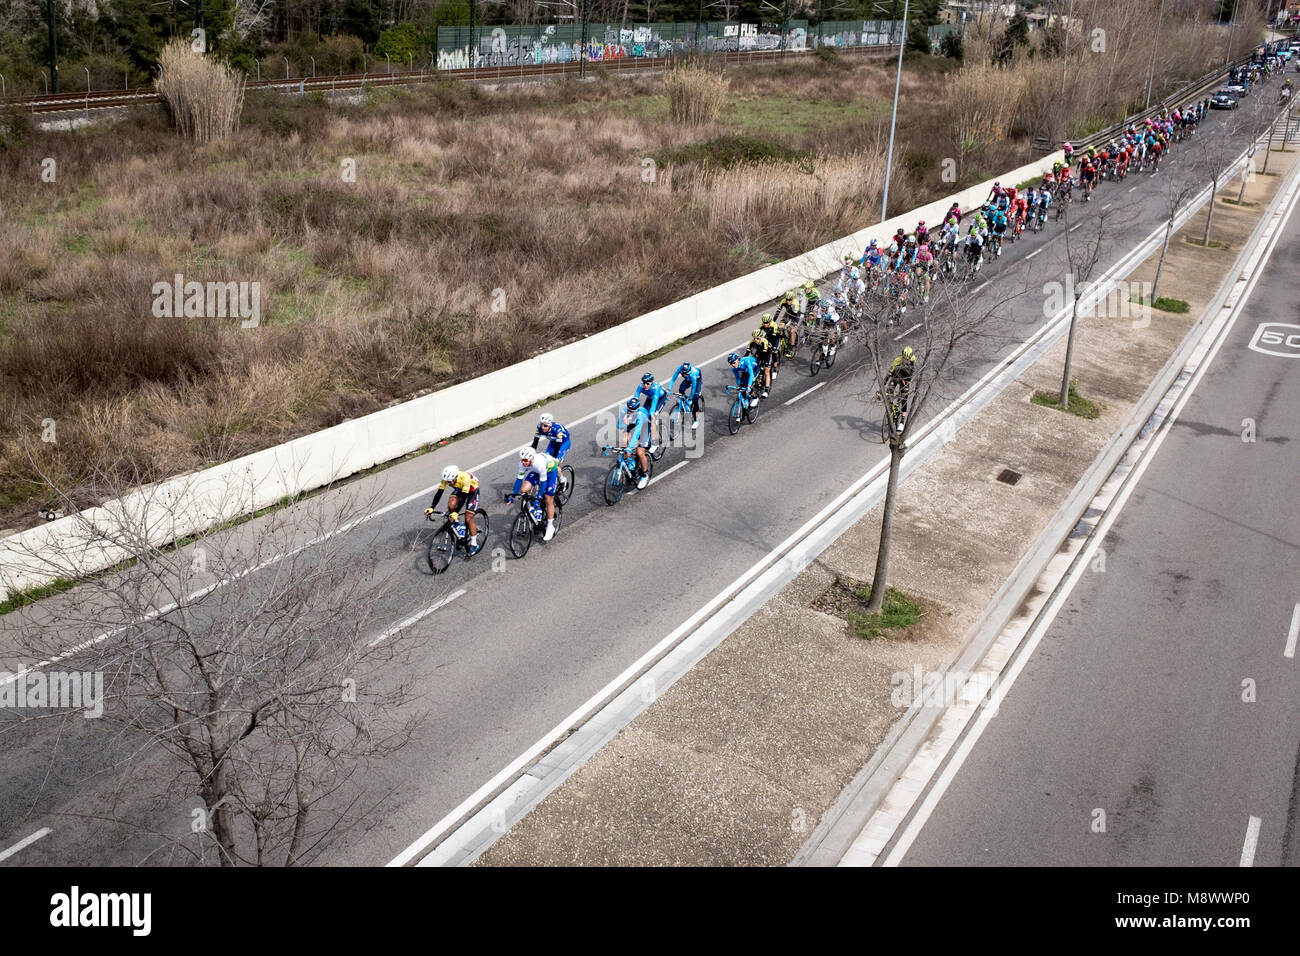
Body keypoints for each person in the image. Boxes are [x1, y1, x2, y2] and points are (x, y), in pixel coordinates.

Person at [507, 446, 559, 540]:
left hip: (550, 472)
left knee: (548, 498)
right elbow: (519, 480)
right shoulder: (522, 463)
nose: (524, 462)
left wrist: (538, 497)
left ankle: (550, 526)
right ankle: (533, 510)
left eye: (526, 460)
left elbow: (544, 483)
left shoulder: (539, 463)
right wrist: (513, 495)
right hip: (535, 472)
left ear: (532, 458)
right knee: (523, 490)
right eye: (522, 460)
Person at [425, 465, 482, 551]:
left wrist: (456, 512)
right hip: (460, 488)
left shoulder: (465, 478)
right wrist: (432, 507)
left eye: (450, 482)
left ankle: (474, 544)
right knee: (451, 504)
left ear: (455, 477)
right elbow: (439, 493)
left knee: (468, 518)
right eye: (447, 481)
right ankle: (457, 525)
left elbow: (463, 497)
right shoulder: (446, 479)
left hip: (472, 491)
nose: (448, 484)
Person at [618, 397, 654, 489]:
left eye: (632, 410)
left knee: (639, 452)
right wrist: (623, 422)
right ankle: (630, 463)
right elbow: (619, 425)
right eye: (628, 410)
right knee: (624, 440)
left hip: (644, 427)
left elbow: (637, 432)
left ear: (637, 409)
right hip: (633, 422)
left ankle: (644, 475)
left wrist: (630, 447)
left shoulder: (640, 414)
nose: (629, 412)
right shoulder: (624, 411)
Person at [630, 371, 668, 453]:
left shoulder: (656, 388)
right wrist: (633, 410)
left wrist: (652, 414)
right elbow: (636, 398)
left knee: (652, 417)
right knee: (643, 415)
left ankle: (655, 443)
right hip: (650, 398)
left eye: (647, 383)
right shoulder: (640, 386)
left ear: (651, 383)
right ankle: (645, 435)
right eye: (644, 383)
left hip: (660, 399)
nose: (645, 385)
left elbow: (654, 402)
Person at [668, 360, 703, 430]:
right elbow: (673, 379)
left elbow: (693, 387)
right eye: (683, 374)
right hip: (688, 380)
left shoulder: (693, 374)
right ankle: (684, 403)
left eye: (686, 374)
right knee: (681, 390)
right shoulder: (679, 369)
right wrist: (668, 389)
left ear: (689, 372)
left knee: (695, 399)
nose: (684, 375)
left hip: (696, 379)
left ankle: (696, 420)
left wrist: (691, 397)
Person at [748, 323, 775, 399]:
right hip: (759, 353)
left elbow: (765, 355)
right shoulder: (752, 342)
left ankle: (766, 390)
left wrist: (763, 365)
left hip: (767, 353)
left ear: (761, 337)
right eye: (754, 338)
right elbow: (747, 353)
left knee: (766, 371)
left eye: (757, 338)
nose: (755, 340)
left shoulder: (764, 342)